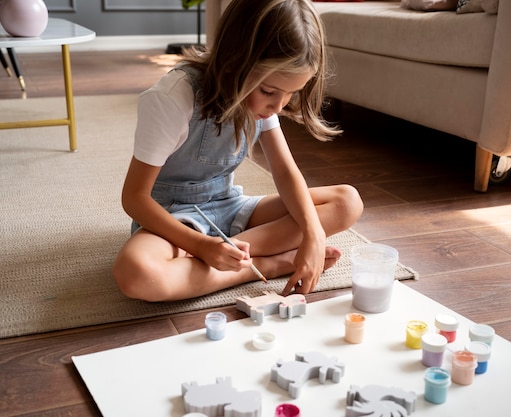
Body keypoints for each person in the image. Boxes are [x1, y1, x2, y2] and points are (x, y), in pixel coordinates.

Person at [112, 0, 363, 302]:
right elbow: (135, 198)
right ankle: (266, 264)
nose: (278, 106)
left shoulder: (259, 95)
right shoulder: (172, 98)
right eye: (269, 92)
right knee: (136, 274)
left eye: (291, 94)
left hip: (229, 207)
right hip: (175, 218)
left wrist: (314, 234)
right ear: (235, 62)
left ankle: (229, 254)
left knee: (347, 202)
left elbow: (285, 172)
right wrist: (203, 246)